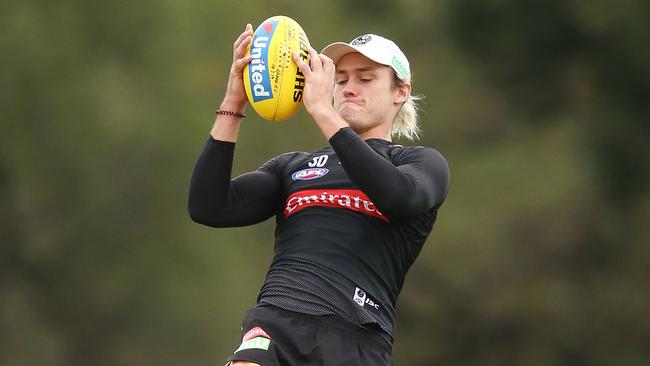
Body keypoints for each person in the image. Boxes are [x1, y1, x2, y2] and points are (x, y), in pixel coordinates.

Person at [188, 23, 451, 366]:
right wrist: (234, 101)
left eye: (365, 78)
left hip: (356, 335)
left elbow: (397, 197)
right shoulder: (293, 168)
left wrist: (322, 112)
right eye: (340, 80)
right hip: (277, 320)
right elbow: (208, 207)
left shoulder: (418, 163)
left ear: (400, 92)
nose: (349, 88)